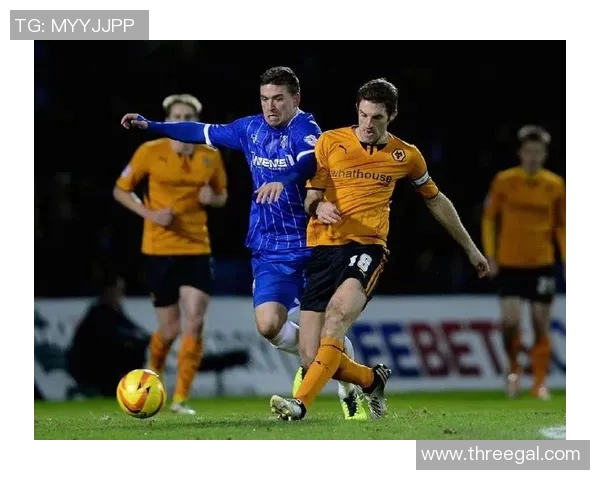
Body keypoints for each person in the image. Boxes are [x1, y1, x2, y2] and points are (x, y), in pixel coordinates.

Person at [120, 67, 367, 420]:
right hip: (268, 248)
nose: (270, 106)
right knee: (268, 326)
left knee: (320, 339)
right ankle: (336, 360)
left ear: (295, 99)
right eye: (265, 99)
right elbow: (199, 131)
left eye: (278, 99)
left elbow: (307, 162)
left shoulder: (306, 129)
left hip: (312, 245)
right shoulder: (249, 129)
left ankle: (349, 386)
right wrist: (152, 125)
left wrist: (283, 179)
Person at [268, 78, 490, 421]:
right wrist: (318, 207)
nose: (368, 124)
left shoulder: (406, 155)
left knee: (337, 316)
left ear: (392, 116)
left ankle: (299, 405)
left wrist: (471, 249)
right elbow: (312, 196)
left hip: (367, 248)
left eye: (377, 118)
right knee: (311, 357)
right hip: (323, 248)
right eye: (363, 115)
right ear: (357, 110)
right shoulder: (330, 142)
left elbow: (435, 200)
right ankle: (371, 380)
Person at [114, 93, 228, 414]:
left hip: (196, 247)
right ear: (167, 120)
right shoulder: (150, 151)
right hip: (159, 250)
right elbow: (120, 190)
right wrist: (150, 214)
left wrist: (212, 198)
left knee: (195, 321)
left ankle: (181, 399)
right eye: (176, 116)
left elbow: (222, 195)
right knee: (169, 331)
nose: (182, 121)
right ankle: (152, 376)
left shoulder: (210, 154)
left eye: (188, 116)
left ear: (196, 120)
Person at [482, 125, 566, 400]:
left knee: (540, 322)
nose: (533, 157)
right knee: (510, 322)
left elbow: (562, 226)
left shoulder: (555, 184)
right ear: (520, 153)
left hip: (542, 262)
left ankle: (540, 382)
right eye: (529, 151)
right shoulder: (504, 180)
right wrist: (490, 255)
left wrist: (567, 259)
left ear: (544, 155)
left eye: (537, 152)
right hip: (510, 263)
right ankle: (513, 371)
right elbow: (489, 219)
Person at [66, 272, 150, 397]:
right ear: (108, 291)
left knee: (137, 346)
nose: (120, 294)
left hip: (107, 364)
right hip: (90, 364)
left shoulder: (117, 311)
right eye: (118, 290)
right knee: (125, 348)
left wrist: (147, 338)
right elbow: (110, 336)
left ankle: (134, 387)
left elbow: (133, 329)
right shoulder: (97, 313)